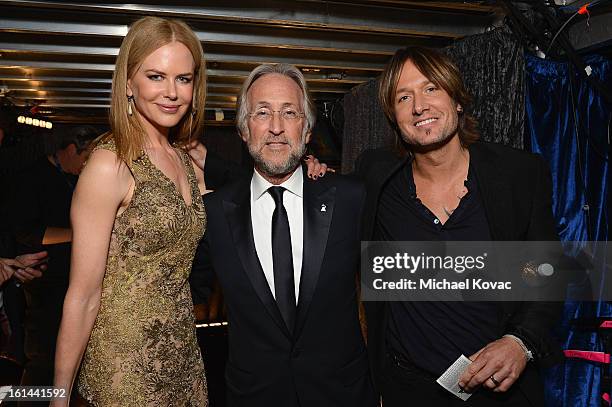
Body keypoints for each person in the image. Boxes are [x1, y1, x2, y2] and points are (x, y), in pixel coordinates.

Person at [357, 47, 562, 406]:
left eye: (431, 88)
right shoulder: (376, 178)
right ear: (394, 117)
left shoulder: (518, 175)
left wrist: (522, 342)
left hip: (500, 393)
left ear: (458, 100)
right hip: (408, 391)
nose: (419, 106)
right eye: (404, 97)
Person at [190, 63, 376, 407]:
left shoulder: (350, 198)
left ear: (306, 130)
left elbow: (398, 285)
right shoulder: (213, 213)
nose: (276, 127)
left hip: (343, 395)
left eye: (289, 113)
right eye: (262, 113)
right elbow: (180, 295)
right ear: (244, 129)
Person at [53, 17, 208, 406]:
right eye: (156, 76)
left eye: (184, 79)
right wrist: (58, 398)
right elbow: (82, 294)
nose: (172, 92)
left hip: (184, 355)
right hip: (125, 365)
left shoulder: (185, 159)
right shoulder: (111, 163)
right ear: (128, 83)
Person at [8, 125, 98, 396]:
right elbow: (27, 232)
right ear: (71, 149)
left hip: (69, 280)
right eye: (86, 159)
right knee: (44, 358)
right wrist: (80, 234)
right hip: (43, 282)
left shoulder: (72, 177)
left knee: (67, 358)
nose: (88, 166)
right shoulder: (31, 178)